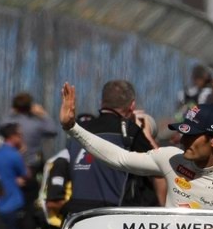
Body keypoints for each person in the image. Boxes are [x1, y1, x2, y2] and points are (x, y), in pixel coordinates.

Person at [61, 83, 213, 212]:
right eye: (183, 133)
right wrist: (73, 128)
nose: (183, 140)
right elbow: (120, 158)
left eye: (192, 136)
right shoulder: (172, 158)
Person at [61, 80, 165, 215]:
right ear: (132, 105)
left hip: (77, 215)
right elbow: (159, 167)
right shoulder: (129, 131)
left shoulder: (79, 131)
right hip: (112, 217)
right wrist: (145, 133)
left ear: (101, 102)